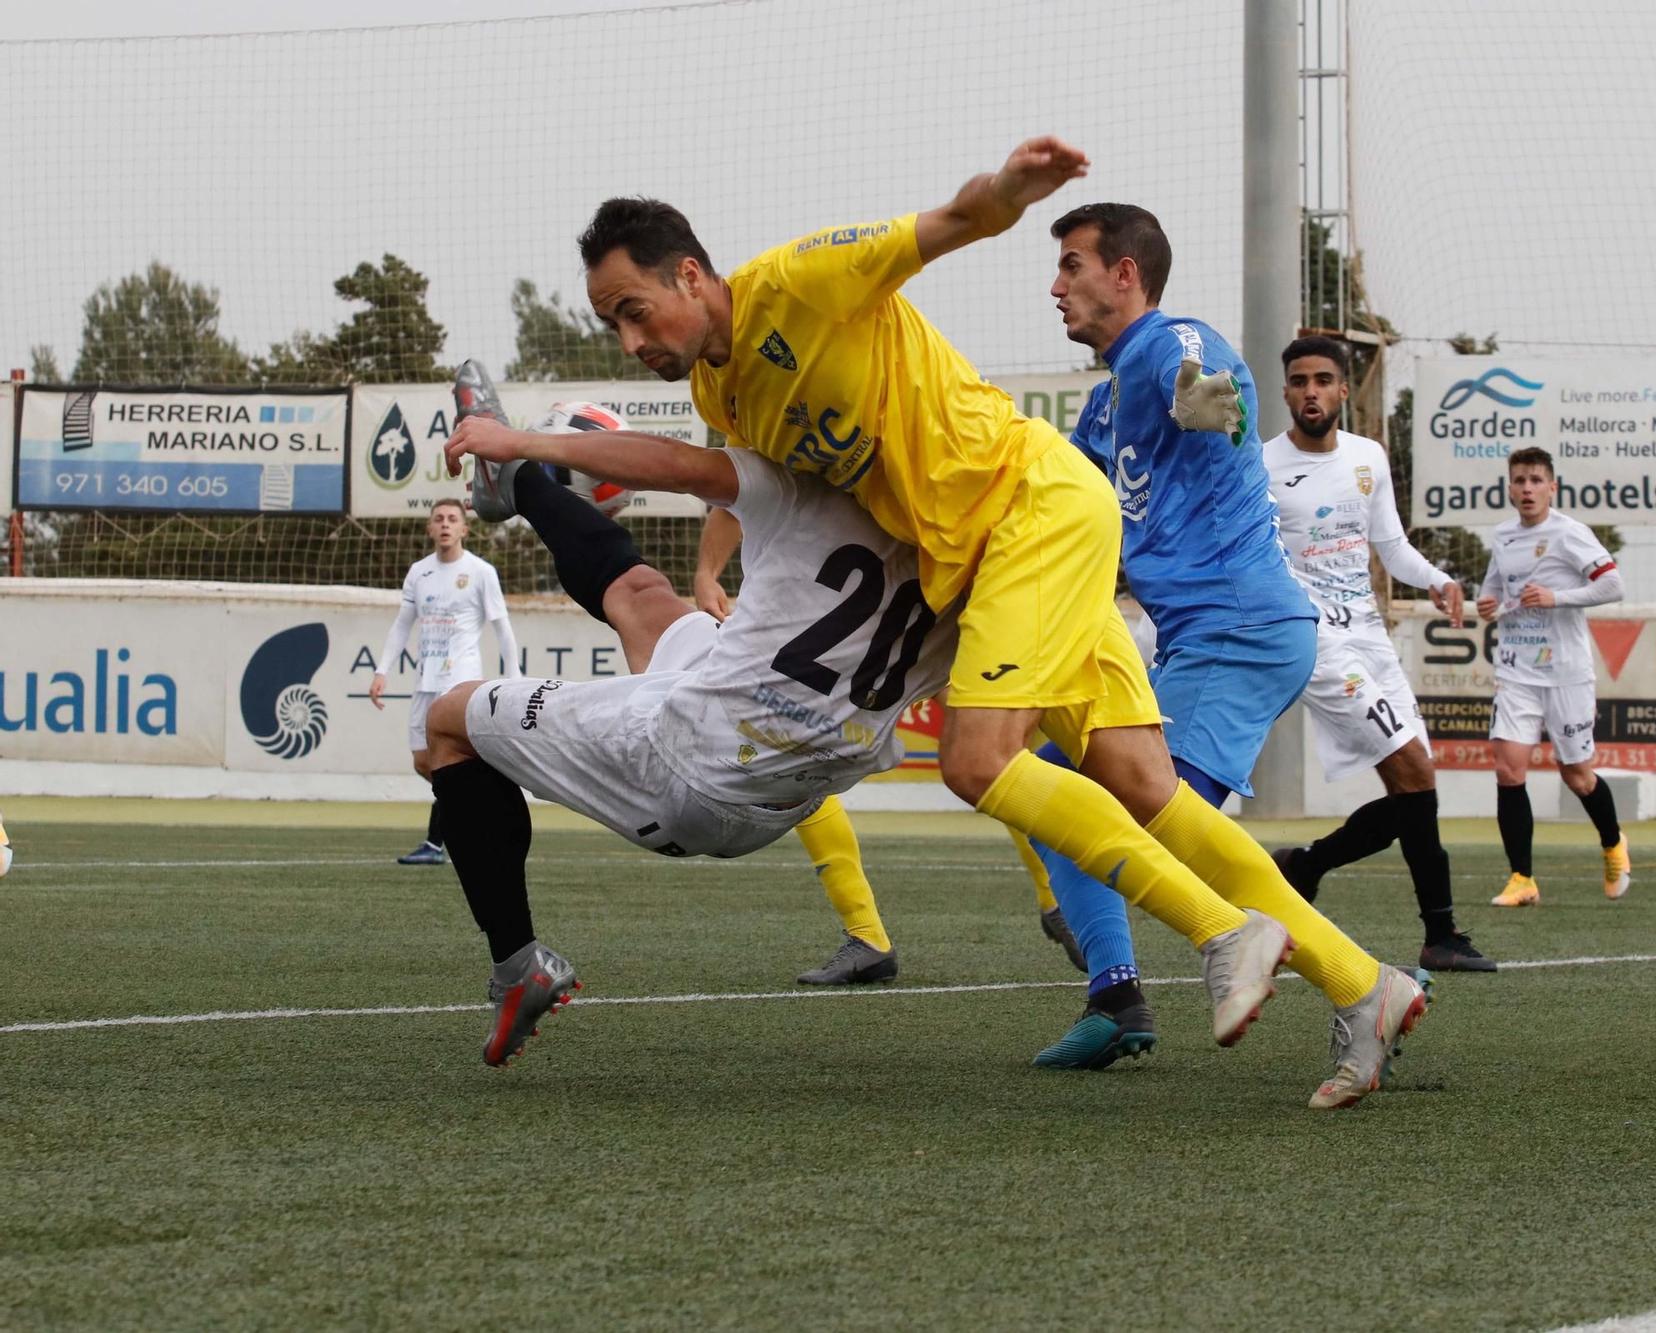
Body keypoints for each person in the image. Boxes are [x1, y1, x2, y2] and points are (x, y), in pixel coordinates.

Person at [446, 136, 1427, 1109]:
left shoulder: (803, 281)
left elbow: (954, 223)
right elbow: (728, 481)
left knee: (978, 763)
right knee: (1146, 790)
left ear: (691, 276)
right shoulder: (721, 385)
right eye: (611, 326)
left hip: (1028, 522)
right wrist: (709, 568)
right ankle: (1360, 985)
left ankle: (1223, 936)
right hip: (1011, 555)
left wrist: (1007, 191)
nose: (630, 342)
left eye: (633, 312)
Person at [440, 377, 1294, 1080]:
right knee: (641, 601)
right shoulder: (983, 566)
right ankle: (517, 492)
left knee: (441, 725)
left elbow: (675, 464)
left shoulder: (807, 485)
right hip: (789, 775)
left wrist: (527, 439)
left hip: (686, 764)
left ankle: (517, 965)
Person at [1015, 200, 1321, 1069]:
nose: (1056, 285)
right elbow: (1068, 513)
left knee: (1123, 818)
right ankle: (1116, 995)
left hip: (1242, 627)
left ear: (1125, 274)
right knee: (1059, 793)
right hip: (1205, 637)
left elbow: (1203, 384)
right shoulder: (1104, 412)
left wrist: (1203, 400)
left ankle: (1354, 979)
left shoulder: (1168, 341)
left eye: (1071, 265)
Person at [1261, 339, 1494, 974]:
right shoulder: (1261, 466)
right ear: (1285, 392)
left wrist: (1439, 579)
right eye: (1299, 380)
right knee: (1415, 771)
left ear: (1342, 391)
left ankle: (1304, 867)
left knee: (1414, 788)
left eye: (1324, 380)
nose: (1311, 390)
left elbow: (1390, 547)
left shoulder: (1367, 457)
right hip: (1317, 640)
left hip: (1370, 635)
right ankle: (1440, 934)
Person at [688, 501, 907, 988]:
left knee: (985, 757)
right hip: (845, 622)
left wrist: (706, 573)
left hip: (864, 618)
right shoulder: (785, 441)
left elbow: (730, 490)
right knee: (792, 759)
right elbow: (733, 494)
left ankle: (1061, 898)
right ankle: (868, 937)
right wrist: (706, 573)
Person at [1476, 446, 1632, 906]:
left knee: (1577, 775)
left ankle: (1613, 843)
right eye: (1519, 480)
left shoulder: (1569, 534)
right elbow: (1494, 589)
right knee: (1508, 769)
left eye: (1536, 480)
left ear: (1552, 487)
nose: (1527, 489)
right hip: (1517, 670)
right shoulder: (1503, 536)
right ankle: (1522, 878)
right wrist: (1486, 604)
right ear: (1509, 487)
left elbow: (1613, 585)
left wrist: (1556, 597)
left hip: (1565, 672)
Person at [368, 496, 519, 865]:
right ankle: (478, 805)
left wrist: (513, 677)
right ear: (430, 528)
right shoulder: (419, 572)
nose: (446, 524)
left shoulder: (481, 572)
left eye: (453, 518)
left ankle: (436, 844)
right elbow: (403, 625)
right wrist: (381, 669)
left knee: (447, 762)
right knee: (423, 763)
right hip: (426, 680)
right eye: (439, 519)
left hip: (460, 680)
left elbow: (502, 627)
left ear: (465, 528)